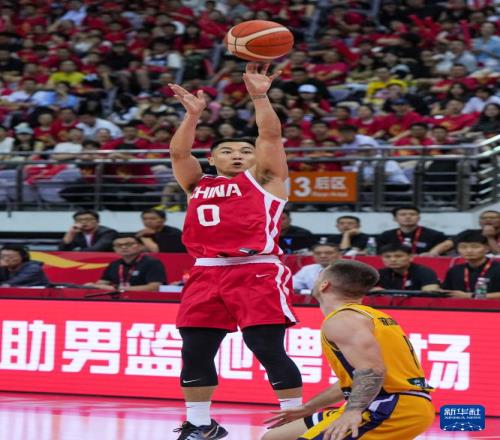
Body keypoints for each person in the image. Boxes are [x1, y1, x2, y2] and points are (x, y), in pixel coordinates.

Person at [169, 63, 303, 440]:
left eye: (246, 150)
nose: (238, 155)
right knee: (195, 349)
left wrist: (259, 96)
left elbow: (270, 135)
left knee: (265, 346)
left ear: (256, 158)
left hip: (255, 269)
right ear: (213, 159)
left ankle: (295, 421)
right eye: (227, 151)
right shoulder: (197, 185)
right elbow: (179, 154)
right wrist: (192, 116)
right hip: (205, 271)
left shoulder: (267, 181)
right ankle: (200, 424)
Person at [263, 260, 434, 440]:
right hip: (396, 401)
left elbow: (371, 371)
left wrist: (352, 412)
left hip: (391, 406)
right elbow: (356, 379)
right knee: (275, 437)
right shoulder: (369, 315)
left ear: (324, 285)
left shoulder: (343, 321)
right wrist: (309, 407)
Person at [84, 235, 167, 292]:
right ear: (114, 249)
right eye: (118, 245)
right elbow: (102, 283)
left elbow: (154, 288)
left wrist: (117, 289)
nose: (123, 247)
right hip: (118, 300)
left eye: (129, 244)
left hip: (145, 301)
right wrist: (93, 286)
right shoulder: (114, 264)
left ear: (140, 246)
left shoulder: (152, 263)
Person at [441, 232, 500, 299]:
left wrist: (470, 296)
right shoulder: (454, 270)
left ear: (487, 248)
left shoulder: (497, 268)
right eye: (463, 247)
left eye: (475, 247)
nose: (469, 251)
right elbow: (446, 292)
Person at [377, 206, 448, 255]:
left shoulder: (435, 235)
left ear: (419, 218)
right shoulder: (385, 236)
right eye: (403, 215)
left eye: (412, 214)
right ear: (395, 219)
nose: (408, 217)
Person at [429, 210, 500, 255]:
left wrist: (490, 238)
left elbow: (497, 254)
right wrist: (433, 253)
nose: (487, 220)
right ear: (479, 222)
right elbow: (447, 245)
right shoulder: (469, 233)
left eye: (492, 218)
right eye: (483, 218)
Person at [376, 244, 440, 292]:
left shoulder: (424, 272)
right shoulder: (378, 273)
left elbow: (430, 292)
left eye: (398, 256)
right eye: (387, 257)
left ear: (411, 257)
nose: (393, 260)